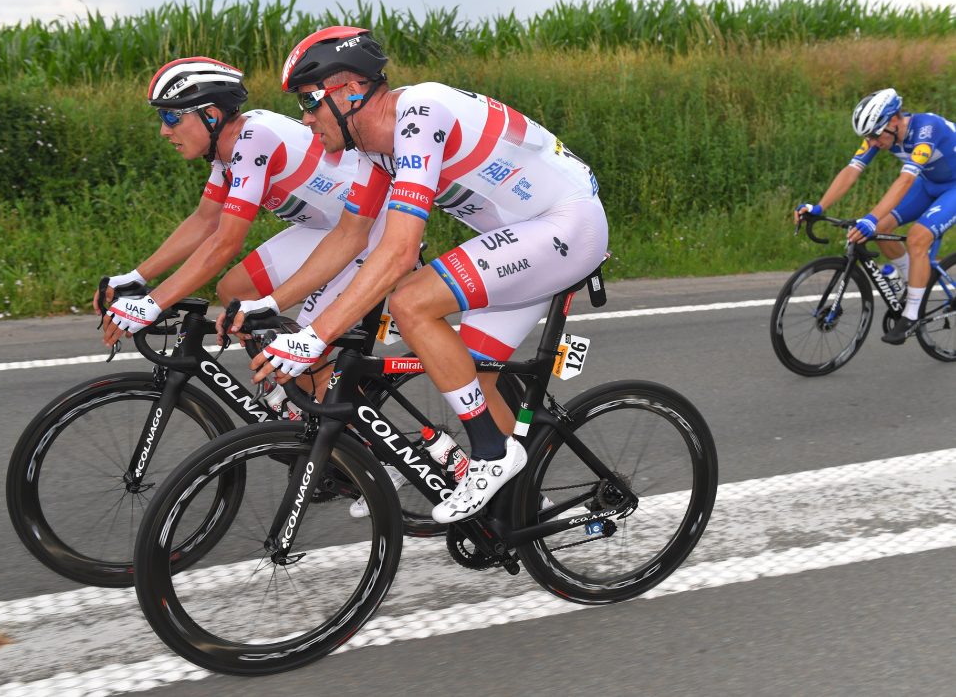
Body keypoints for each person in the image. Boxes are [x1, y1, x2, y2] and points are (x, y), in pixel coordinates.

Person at [250, 26, 608, 524]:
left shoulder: (420, 115)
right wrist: (271, 304)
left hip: (566, 225)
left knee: (411, 301)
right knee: (469, 371)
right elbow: (350, 236)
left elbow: (399, 252)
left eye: (310, 100)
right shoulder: (374, 147)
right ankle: (525, 509)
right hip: (525, 238)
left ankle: (491, 454)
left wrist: (315, 336)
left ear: (350, 89)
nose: (305, 118)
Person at [97, 56, 386, 402]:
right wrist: (136, 277)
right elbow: (205, 221)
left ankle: (339, 422)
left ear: (211, 115)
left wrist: (153, 304)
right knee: (237, 290)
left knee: (305, 357)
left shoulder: (253, 141)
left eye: (172, 117)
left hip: (369, 231)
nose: (164, 130)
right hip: (327, 228)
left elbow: (226, 243)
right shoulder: (228, 150)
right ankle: (299, 395)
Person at [794, 88, 956, 344]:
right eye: (867, 137)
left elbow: (905, 181)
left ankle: (912, 315)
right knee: (881, 228)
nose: (872, 142)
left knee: (917, 238)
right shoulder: (881, 134)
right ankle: (910, 280)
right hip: (929, 183)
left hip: (953, 187)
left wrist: (869, 218)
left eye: (874, 135)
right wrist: (819, 207)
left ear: (894, 121)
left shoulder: (926, 130)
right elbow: (852, 170)